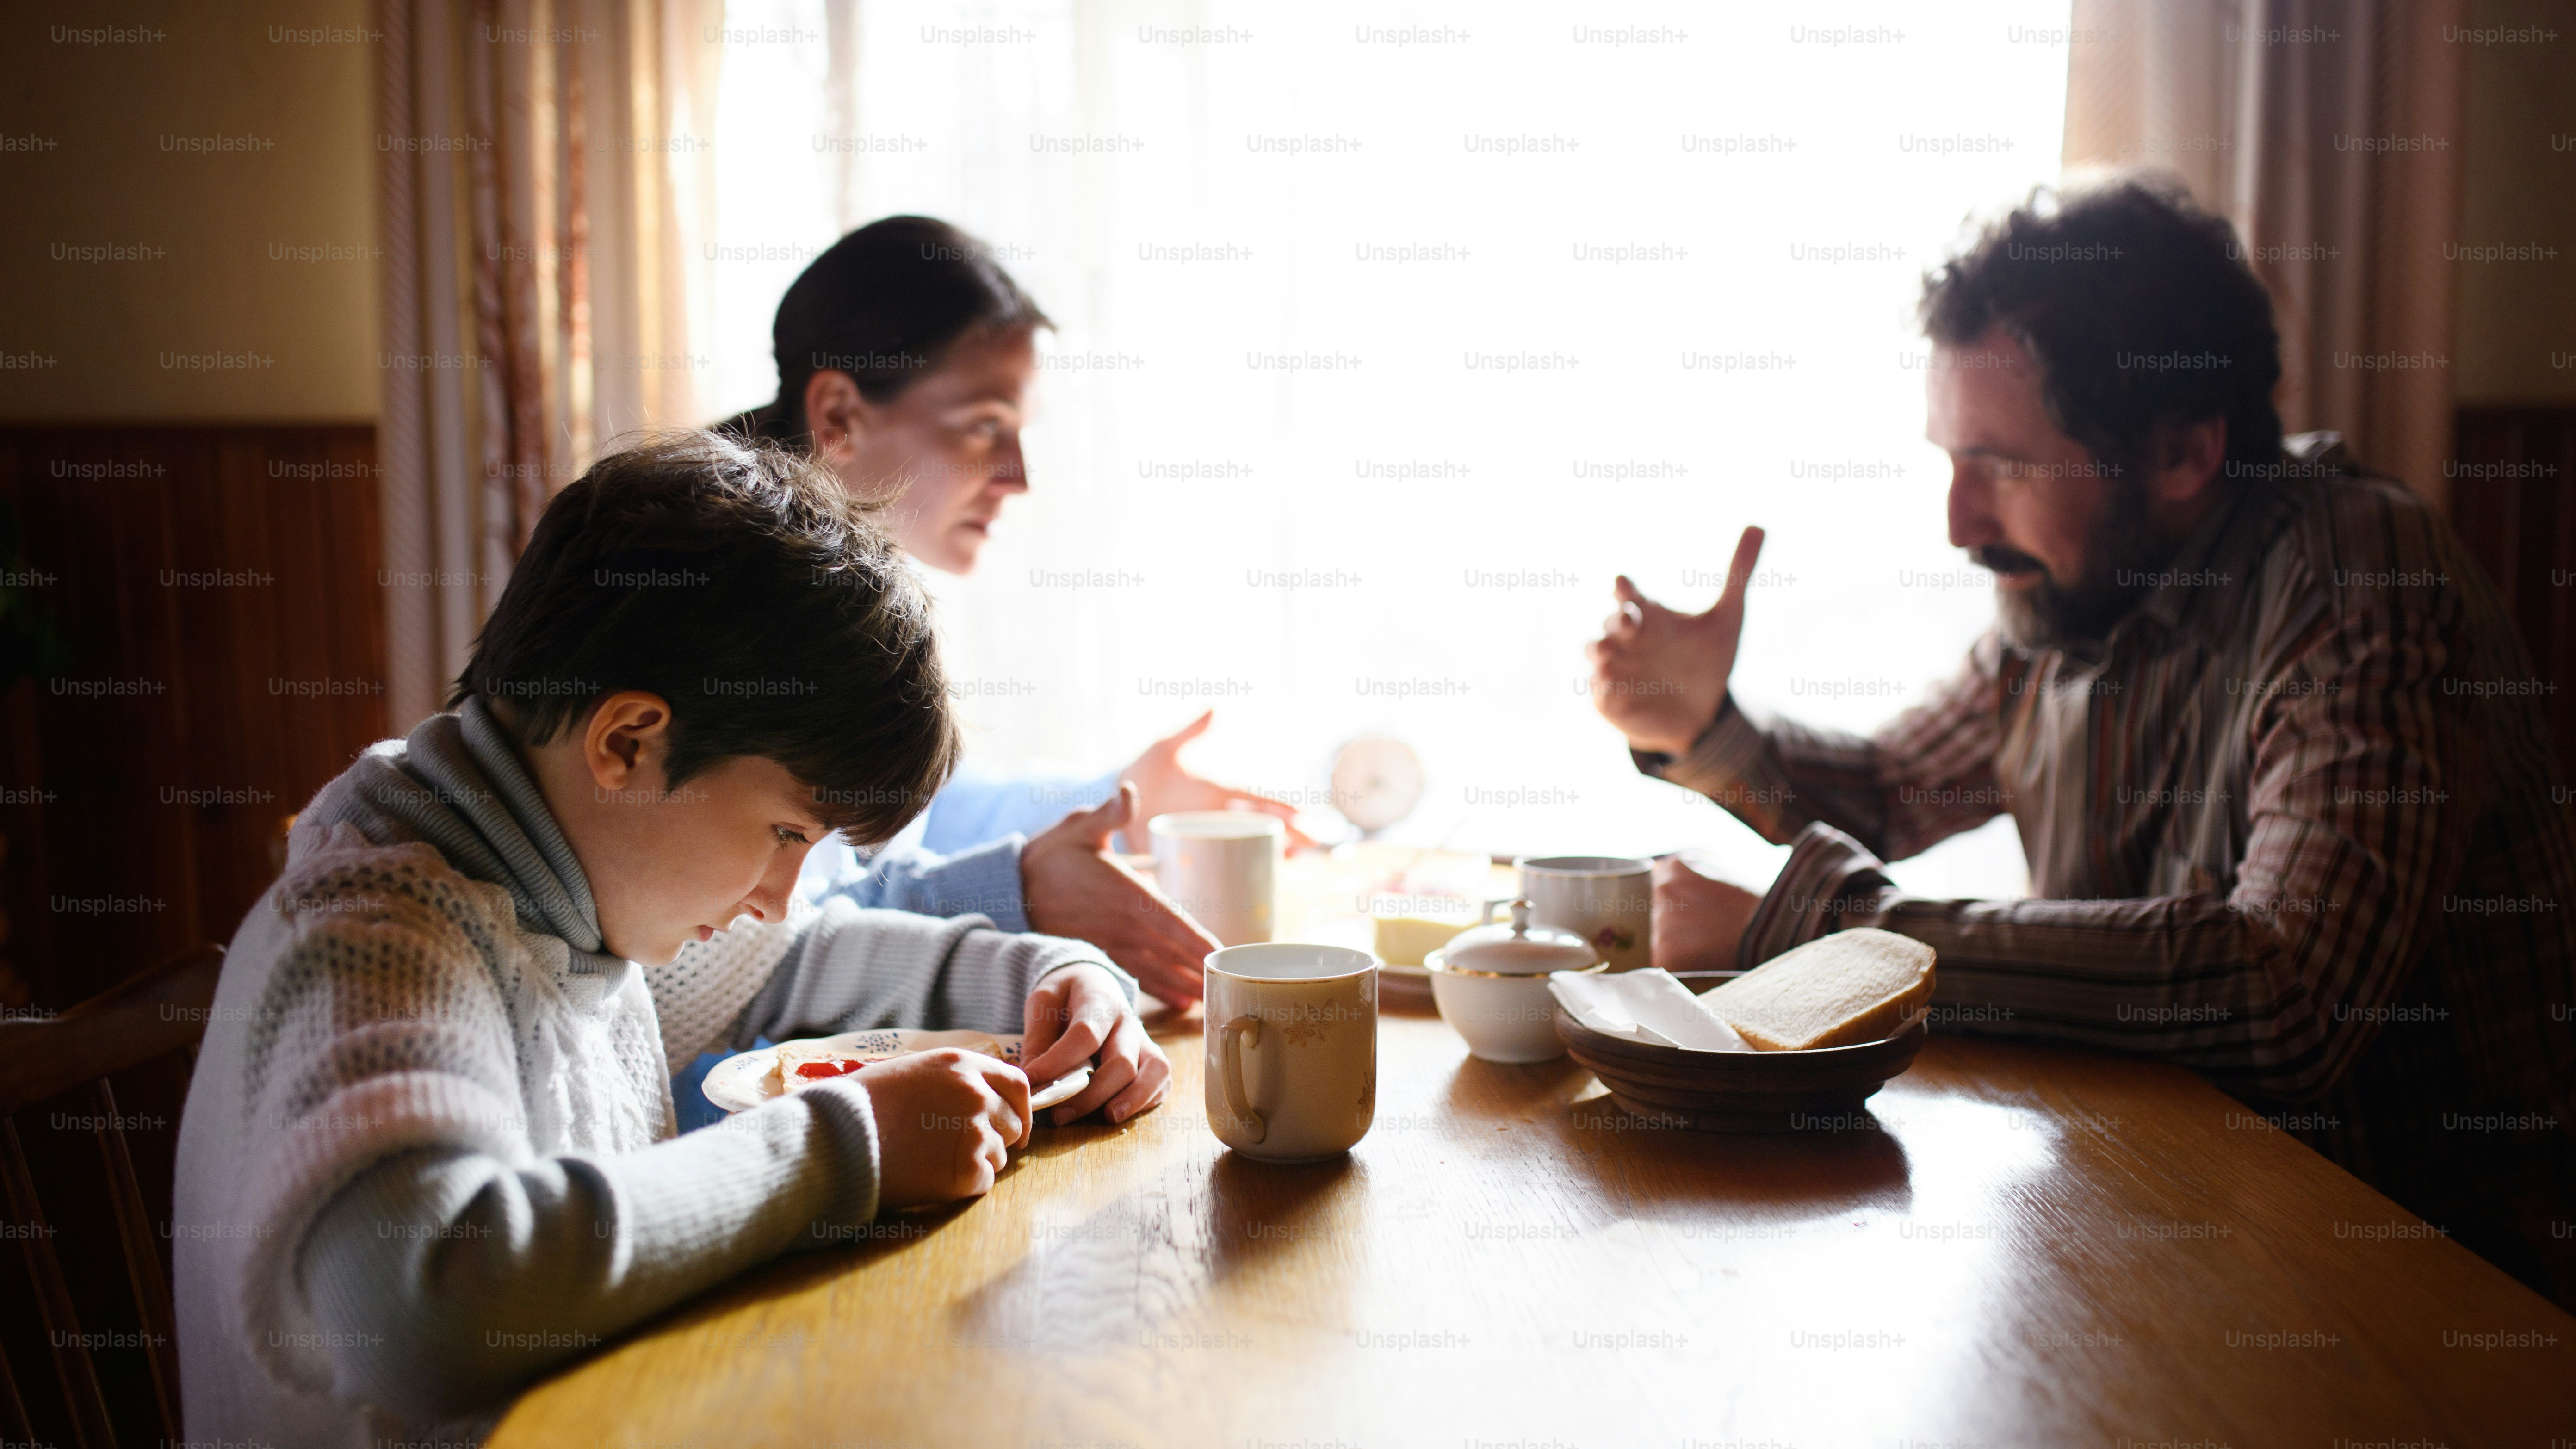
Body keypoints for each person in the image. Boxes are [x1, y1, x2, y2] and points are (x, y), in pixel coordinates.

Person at [1588, 177, 2576, 1305]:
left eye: (2002, 466)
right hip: (2170, 1235)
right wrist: (1701, 726)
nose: (1958, 523)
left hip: (2439, 1298)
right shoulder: (2071, 600)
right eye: (1952, 462)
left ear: (2184, 452)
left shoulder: (2363, 579)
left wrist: (1819, 931)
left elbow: (2286, 995)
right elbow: (1894, 793)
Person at [174, 434, 1168, 1440]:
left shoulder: (561, 883)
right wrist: (849, 1146)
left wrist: (1053, 975)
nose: (781, 896)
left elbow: (804, 962)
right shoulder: (377, 939)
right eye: (786, 834)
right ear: (627, 743)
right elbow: (429, 1304)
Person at [720, 215, 1301, 1012]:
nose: (1018, 476)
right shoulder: (728, 617)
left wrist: (1118, 796)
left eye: (1021, 432)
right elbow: (751, 963)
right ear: (839, 416)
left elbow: (908, 824)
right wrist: (1017, 891)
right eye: (985, 426)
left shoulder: (842, 602)